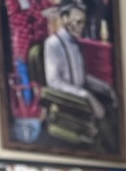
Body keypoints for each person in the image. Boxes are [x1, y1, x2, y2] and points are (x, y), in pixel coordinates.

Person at [43, 0, 117, 145]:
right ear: (64, 19)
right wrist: (84, 94)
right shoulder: (53, 43)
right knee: (106, 127)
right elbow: (54, 82)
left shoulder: (75, 43)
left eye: (83, 22)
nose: (81, 27)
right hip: (69, 102)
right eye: (77, 22)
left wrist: (105, 87)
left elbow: (80, 77)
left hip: (81, 96)